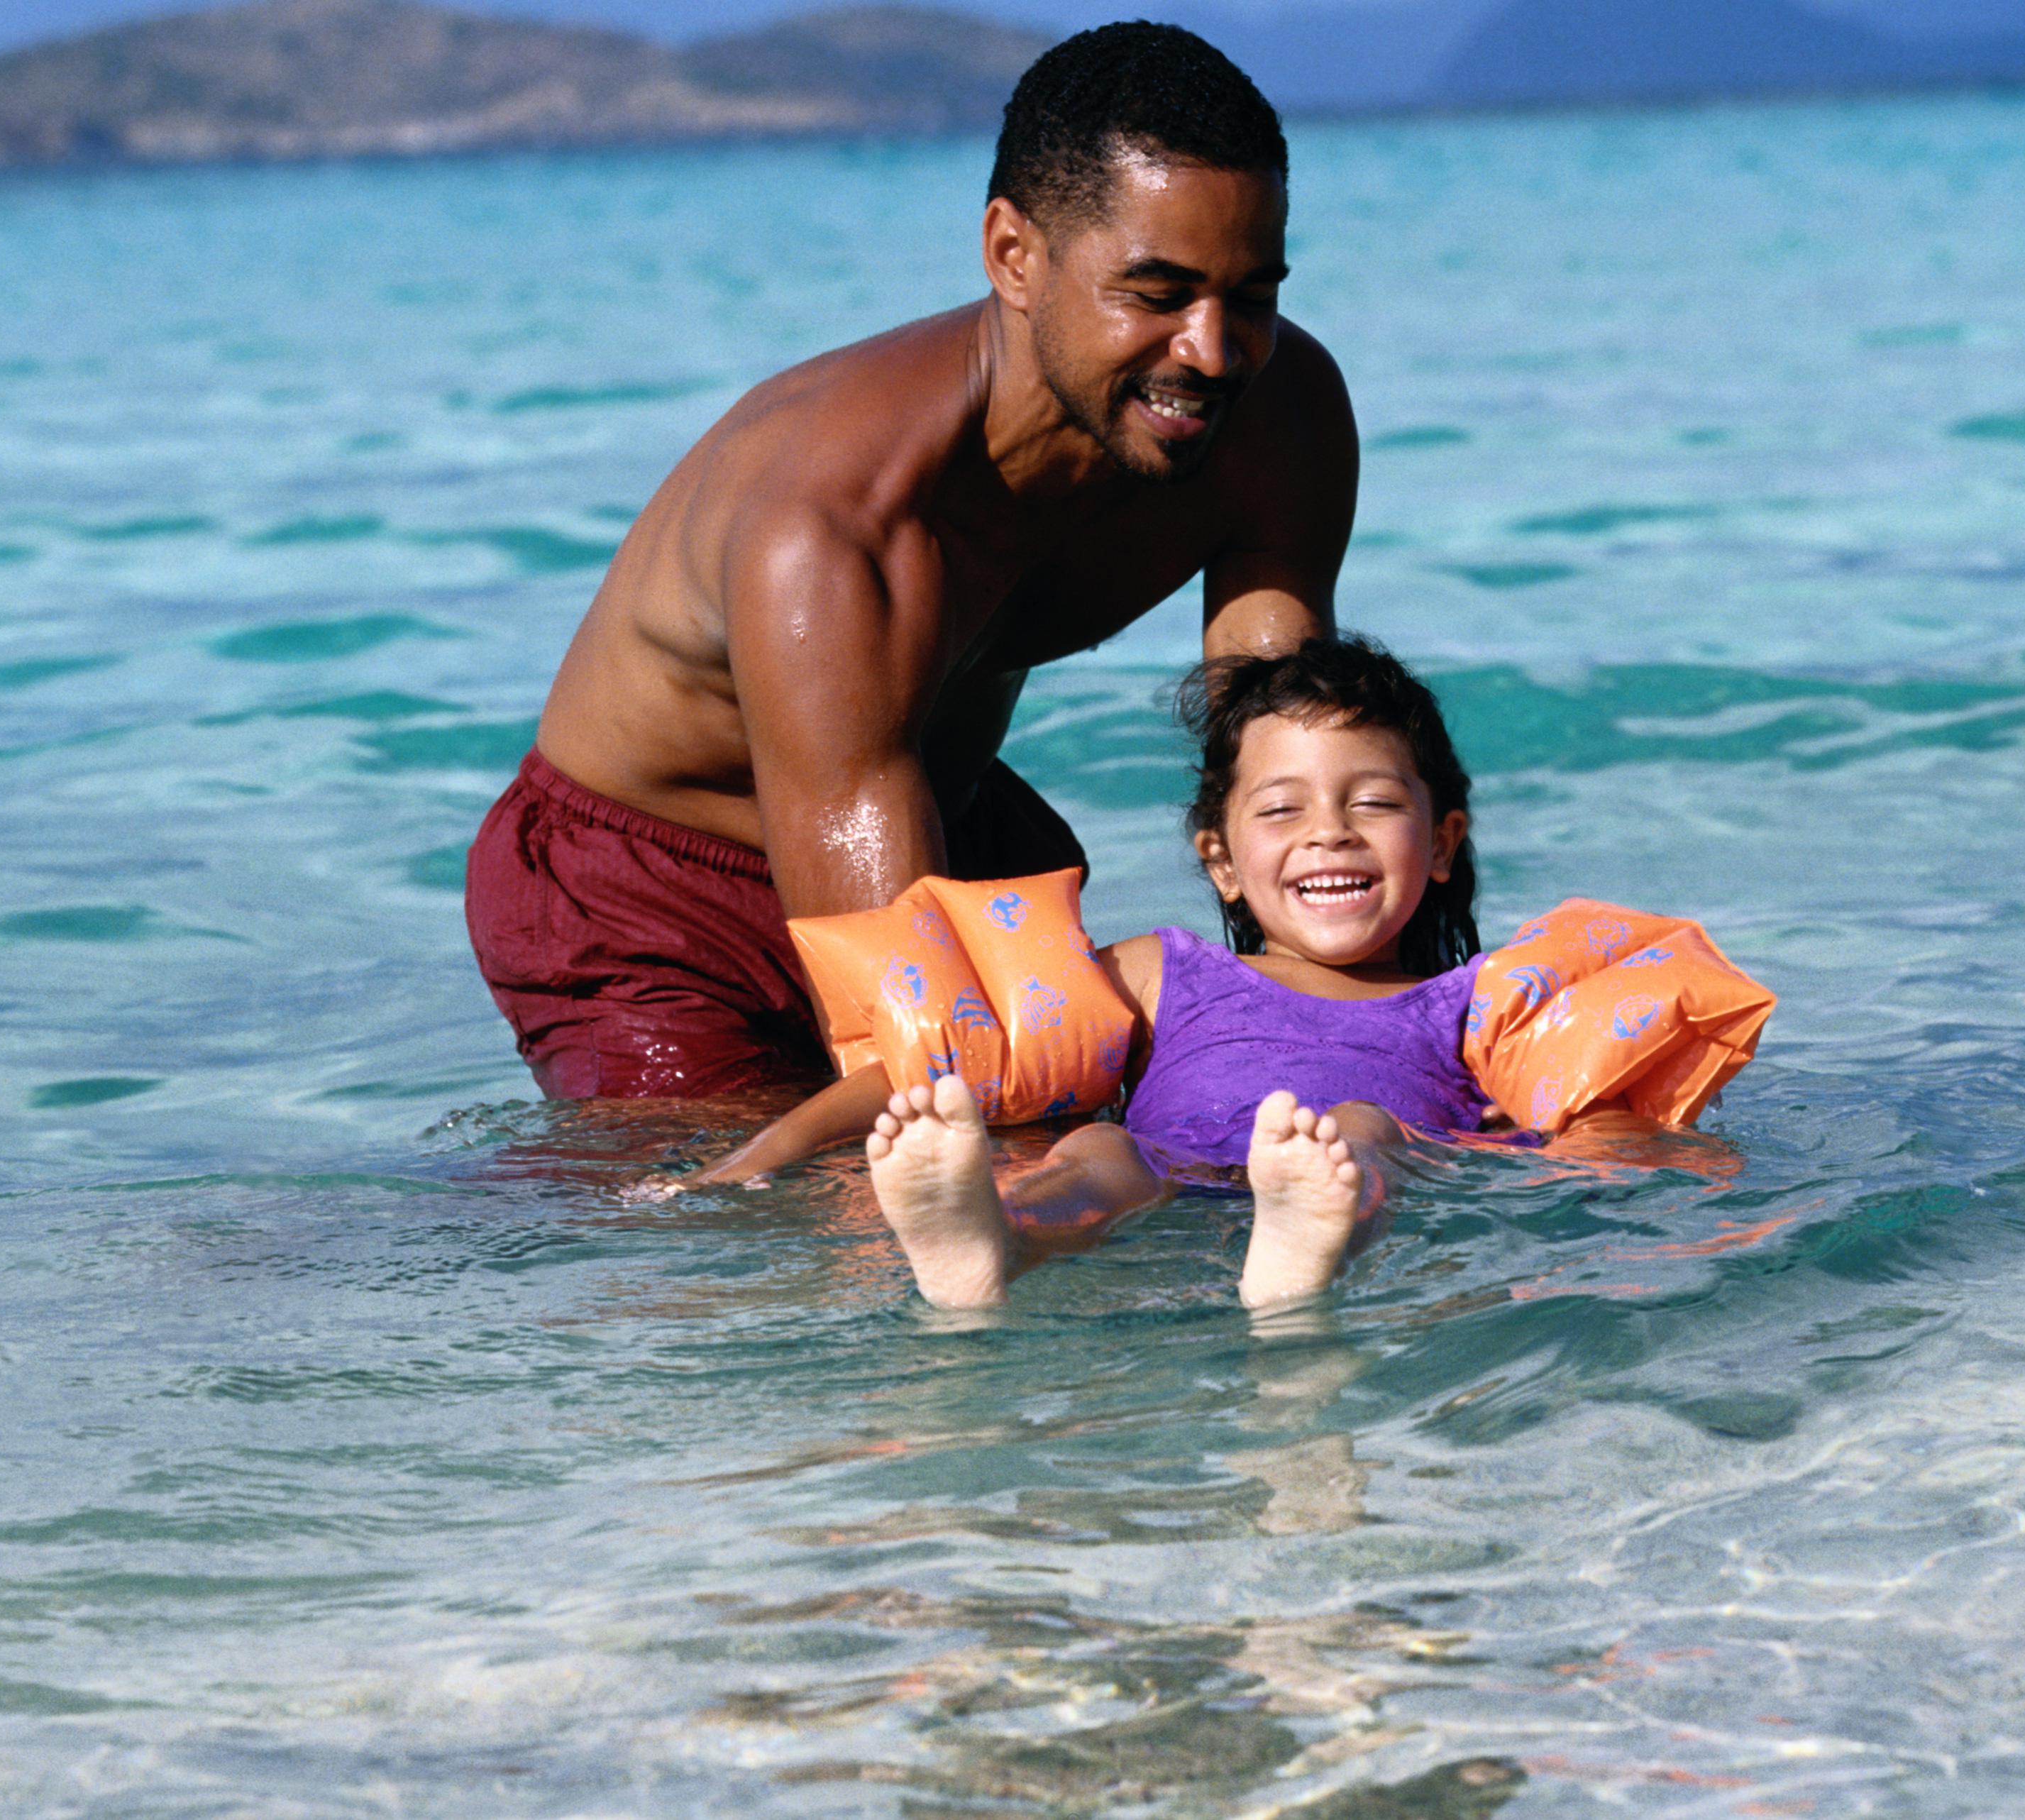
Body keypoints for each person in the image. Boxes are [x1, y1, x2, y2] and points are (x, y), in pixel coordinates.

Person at [464, 23, 1357, 1101]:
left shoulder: (1277, 416)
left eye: (1250, 295)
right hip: (656, 893)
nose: (1212, 351)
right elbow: (922, 1028)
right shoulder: (838, 519)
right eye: (1157, 294)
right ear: (1012, 257)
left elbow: (1293, 790)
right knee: (754, 1215)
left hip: (934, 803)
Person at [705, 637, 1652, 1312]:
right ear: (1221, 860)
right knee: (1100, 1155)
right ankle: (995, 1237)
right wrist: (758, 1156)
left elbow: (1595, 1125)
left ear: (1441, 842)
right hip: (1179, 1167)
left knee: (1361, 1130)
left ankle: (1304, 1251)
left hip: (1341, 1179)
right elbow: (958, 1059)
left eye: (1371, 801)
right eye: (1281, 809)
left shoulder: (1476, 1002)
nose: (1329, 829)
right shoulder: (1168, 972)